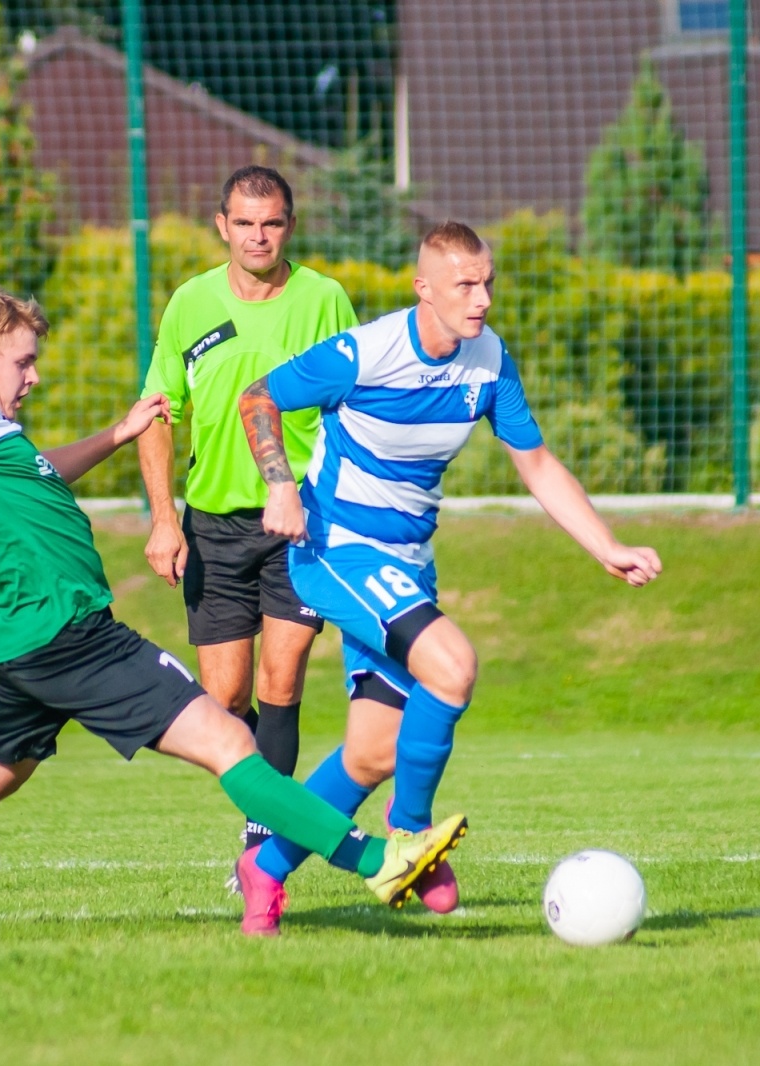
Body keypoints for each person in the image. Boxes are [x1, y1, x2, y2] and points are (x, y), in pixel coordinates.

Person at [0, 284, 465, 933]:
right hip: (74, 637)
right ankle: (375, 861)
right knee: (230, 744)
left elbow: (37, 471)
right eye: (23, 363)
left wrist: (115, 437)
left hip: (23, 642)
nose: (34, 376)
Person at [231, 222, 663, 936]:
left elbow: (538, 465)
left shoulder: (489, 363)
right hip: (336, 546)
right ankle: (411, 840)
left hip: (407, 565)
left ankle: (268, 867)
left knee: (372, 751)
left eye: (488, 281)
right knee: (453, 666)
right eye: (465, 284)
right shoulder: (367, 353)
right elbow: (257, 398)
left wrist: (606, 546)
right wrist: (278, 485)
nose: (483, 298)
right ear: (422, 289)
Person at [137, 166, 357, 859]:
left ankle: (264, 844)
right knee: (226, 699)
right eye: (244, 223)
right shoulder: (189, 304)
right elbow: (158, 415)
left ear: (290, 226)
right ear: (221, 226)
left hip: (300, 521)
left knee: (281, 677)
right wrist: (164, 520)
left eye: (271, 223)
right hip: (215, 525)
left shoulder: (324, 299)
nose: (258, 236)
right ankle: (268, 780)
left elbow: (354, 405)